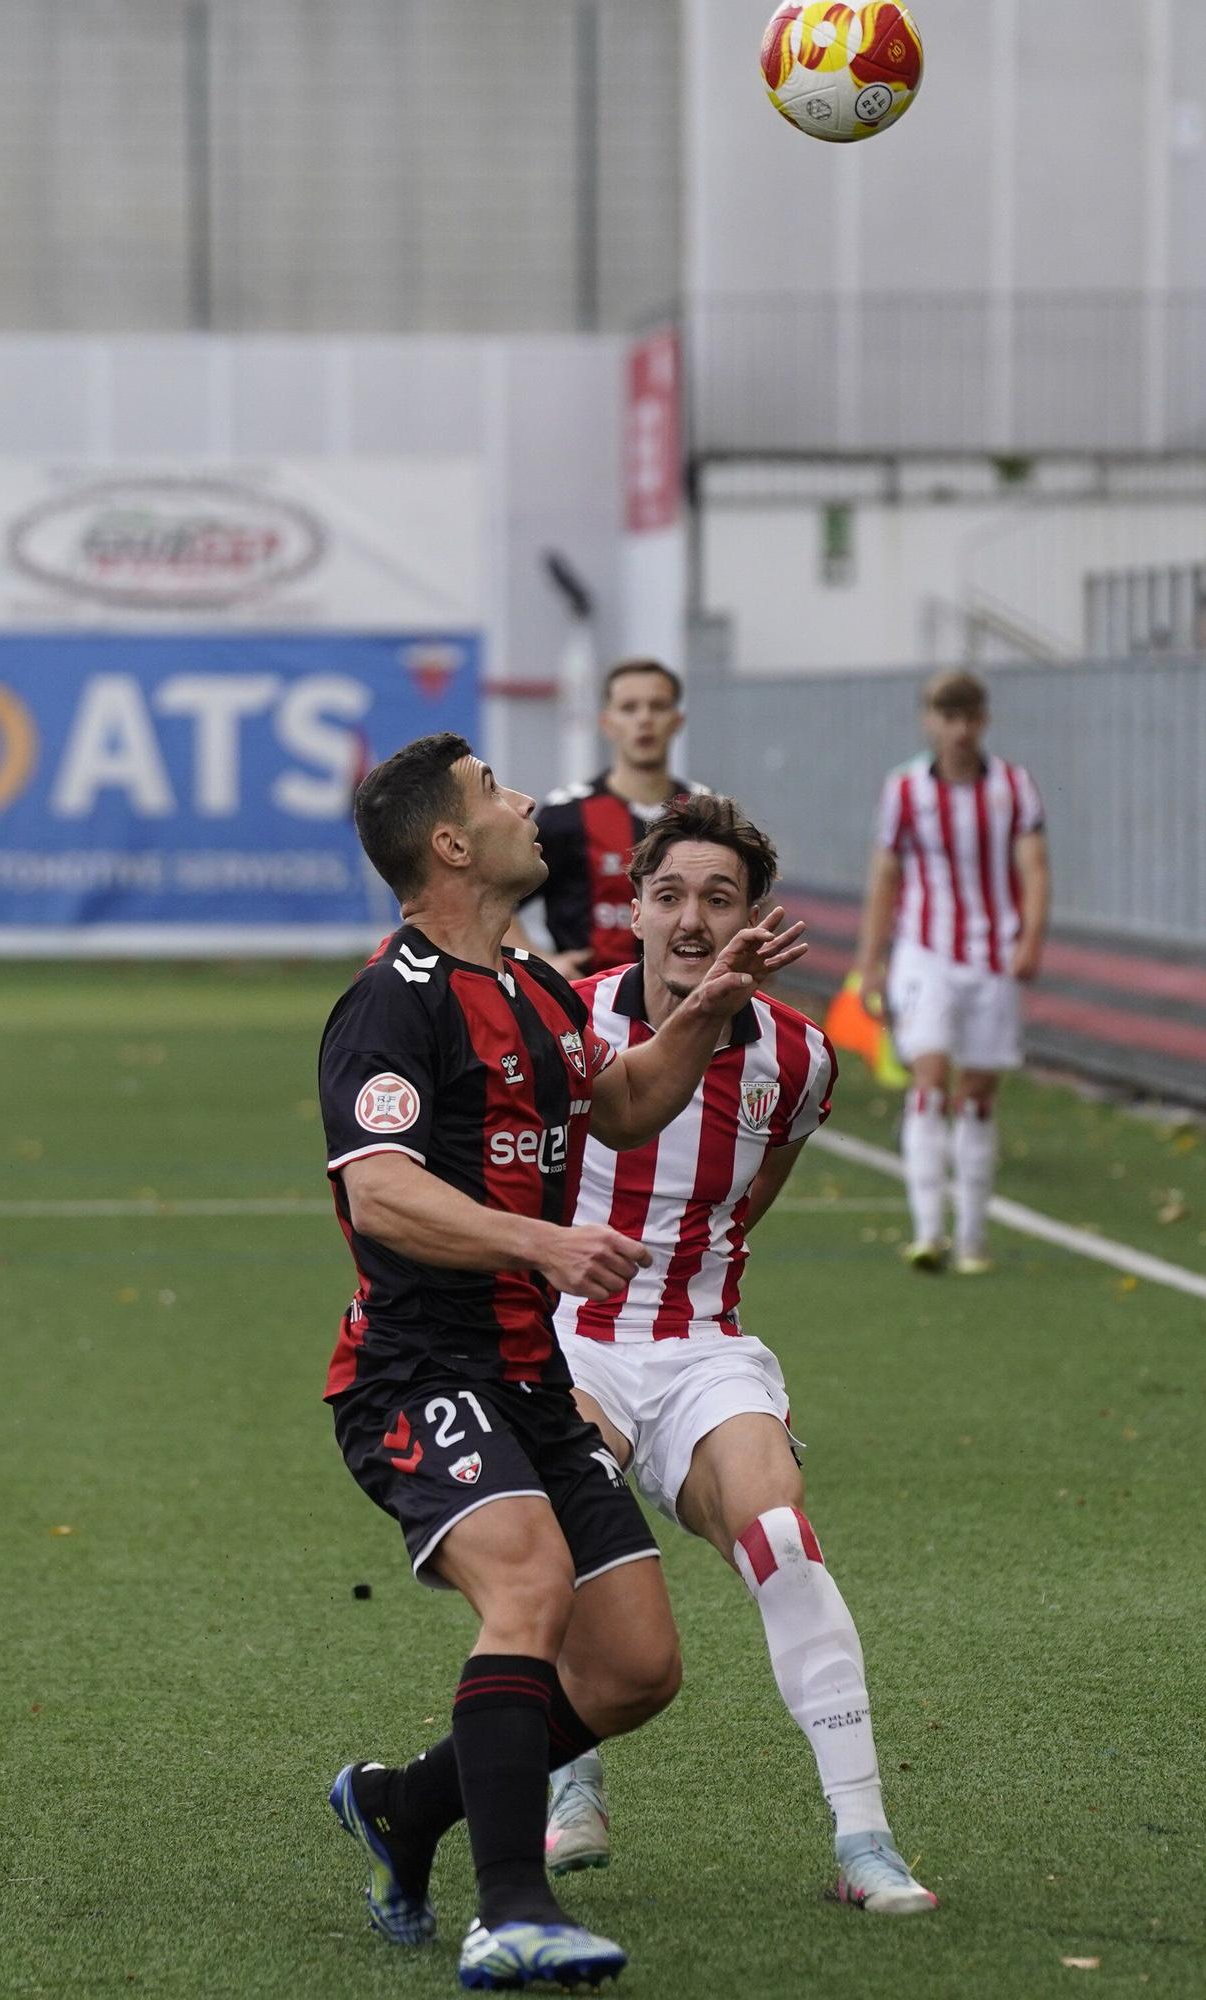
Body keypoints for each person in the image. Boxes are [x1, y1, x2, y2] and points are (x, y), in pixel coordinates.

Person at [320, 733, 806, 1991]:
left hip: (529, 1377)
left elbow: (631, 1097)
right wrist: (541, 1236)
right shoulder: (395, 996)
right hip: (418, 1373)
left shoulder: (538, 987)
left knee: (635, 1665)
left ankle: (404, 1805)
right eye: (495, 793)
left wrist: (705, 1005)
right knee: (527, 1581)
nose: (528, 804)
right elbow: (381, 1193)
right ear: (447, 843)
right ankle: (512, 1910)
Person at [541, 794, 938, 1918]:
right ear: (632, 907)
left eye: (718, 896)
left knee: (780, 1535)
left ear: (752, 918)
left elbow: (754, 1196)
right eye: (668, 893)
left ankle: (865, 1838)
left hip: (703, 1347)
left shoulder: (801, 1059)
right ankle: (571, 1780)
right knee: (565, 1514)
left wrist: (692, 1290)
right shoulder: (568, 1022)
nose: (691, 917)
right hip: (571, 1340)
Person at [853, 671, 1049, 1273]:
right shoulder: (905, 789)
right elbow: (886, 873)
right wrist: (872, 962)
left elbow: (1035, 867)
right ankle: (929, 1231)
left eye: (969, 716)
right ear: (929, 720)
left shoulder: (1014, 787)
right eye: (947, 715)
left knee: (980, 1094)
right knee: (930, 1076)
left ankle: (972, 1237)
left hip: (993, 954)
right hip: (925, 952)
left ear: (983, 720)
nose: (959, 728)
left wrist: (1032, 938)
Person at [510, 658, 709, 979]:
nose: (644, 719)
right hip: (586, 1009)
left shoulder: (705, 811)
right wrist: (541, 961)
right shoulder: (568, 813)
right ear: (607, 722)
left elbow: (750, 903)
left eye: (657, 707)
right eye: (629, 708)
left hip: (687, 1001)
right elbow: (492, 900)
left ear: (677, 720)